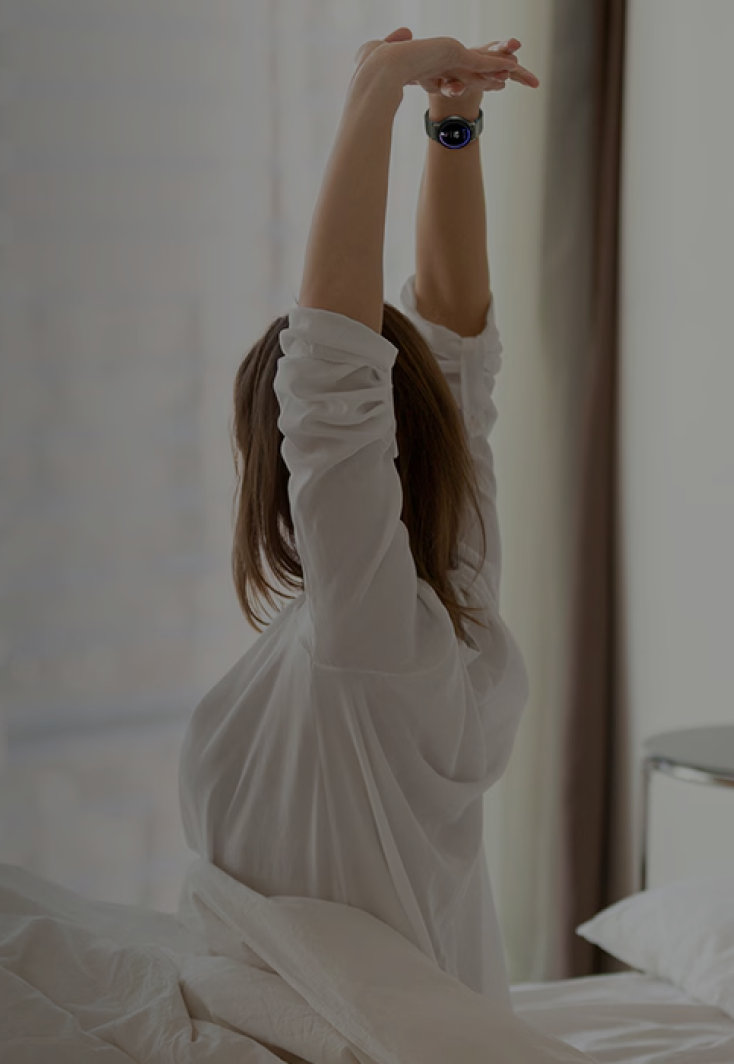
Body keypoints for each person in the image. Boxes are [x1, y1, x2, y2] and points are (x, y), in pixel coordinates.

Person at [179, 28, 540, 1009]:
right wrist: (449, 122)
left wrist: (376, 89)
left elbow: (333, 378)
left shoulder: (366, 632)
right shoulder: (452, 592)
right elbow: (456, 345)